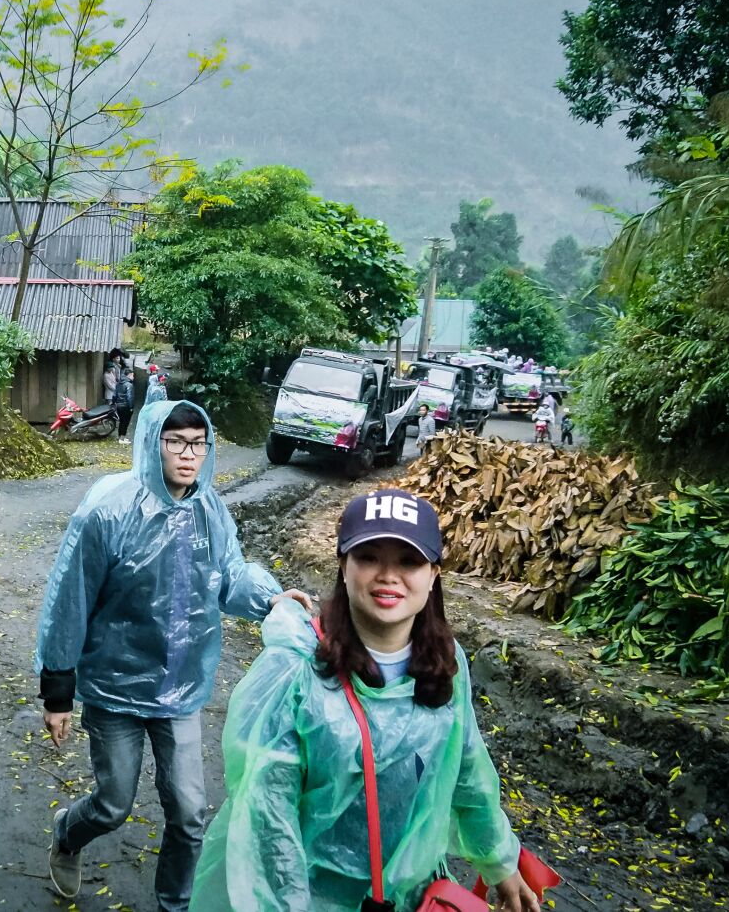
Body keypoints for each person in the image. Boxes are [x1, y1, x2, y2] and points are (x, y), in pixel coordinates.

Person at [191, 488, 543, 912]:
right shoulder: (295, 673)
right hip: (313, 898)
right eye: (369, 557)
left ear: (433, 575)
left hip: (412, 897)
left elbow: (466, 766)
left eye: (409, 561)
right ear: (343, 566)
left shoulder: (446, 662)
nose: (388, 575)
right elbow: (269, 821)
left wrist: (498, 860)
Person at [36, 399, 312, 911]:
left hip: (180, 687)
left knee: (189, 812)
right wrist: (58, 690)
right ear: (151, 443)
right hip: (114, 688)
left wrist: (268, 596)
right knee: (113, 805)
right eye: (176, 442)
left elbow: (230, 574)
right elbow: (69, 600)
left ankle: (174, 904)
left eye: (198, 444)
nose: (189, 455)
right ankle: (68, 833)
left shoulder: (210, 509)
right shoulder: (109, 511)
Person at [104, 348, 134, 445]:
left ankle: (120, 438)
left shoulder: (119, 384)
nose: (133, 377)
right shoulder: (129, 385)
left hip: (119, 405)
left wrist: (114, 402)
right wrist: (131, 407)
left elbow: (115, 395)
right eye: (132, 375)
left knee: (121, 421)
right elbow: (130, 397)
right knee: (125, 422)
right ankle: (122, 438)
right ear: (128, 375)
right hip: (125, 405)